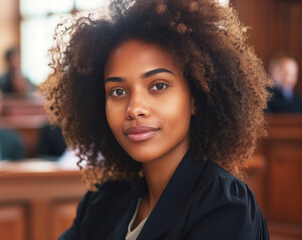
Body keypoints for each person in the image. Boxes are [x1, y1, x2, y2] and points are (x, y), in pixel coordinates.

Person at [39, 0, 271, 239]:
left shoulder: (224, 206)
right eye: (118, 91)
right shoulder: (104, 200)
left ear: (195, 99)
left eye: (158, 85)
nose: (135, 108)